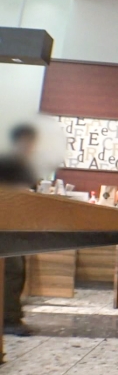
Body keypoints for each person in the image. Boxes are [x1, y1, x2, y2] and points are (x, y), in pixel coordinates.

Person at [1, 124, 39, 336]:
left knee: (17, 270)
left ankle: (12, 316)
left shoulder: (24, 166)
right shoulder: (6, 163)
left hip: (15, 226)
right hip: (4, 225)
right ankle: (9, 319)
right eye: (27, 142)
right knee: (12, 270)